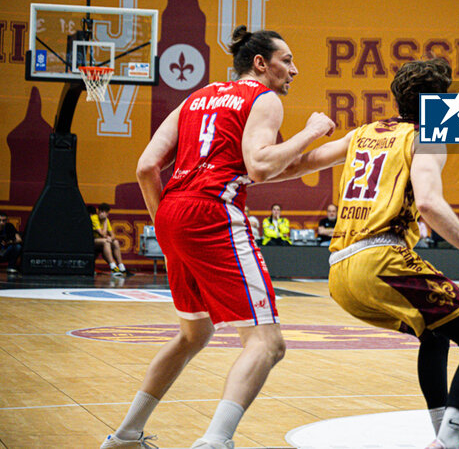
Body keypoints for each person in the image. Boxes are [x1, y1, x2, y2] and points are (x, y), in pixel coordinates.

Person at [102, 26, 336, 449]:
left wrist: (170, 225)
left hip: (173, 211)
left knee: (194, 335)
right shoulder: (262, 99)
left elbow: (145, 167)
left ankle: (125, 435)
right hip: (213, 213)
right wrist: (312, 132)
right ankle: (215, 441)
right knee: (267, 343)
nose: (294, 69)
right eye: (287, 60)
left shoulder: (197, 97)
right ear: (260, 64)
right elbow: (261, 166)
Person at [317, 58, 459, 449]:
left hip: (338, 272)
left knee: (435, 334)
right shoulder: (427, 136)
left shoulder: (364, 133)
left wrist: (259, 164)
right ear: (437, 101)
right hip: (382, 261)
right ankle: (449, 441)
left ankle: (442, 436)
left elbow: (296, 163)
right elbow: (430, 205)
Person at [92, 203, 128, 276]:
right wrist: (105, 221)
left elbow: (113, 235)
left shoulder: (106, 219)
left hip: (101, 240)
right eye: (101, 212)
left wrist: (110, 238)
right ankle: (113, 267)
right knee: (106, 242)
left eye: (104, 212)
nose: (103, 214)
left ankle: (121, 267)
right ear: (98, 211)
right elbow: (102, 233)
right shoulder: (94, 218)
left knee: (115, 242)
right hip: (92, 240)